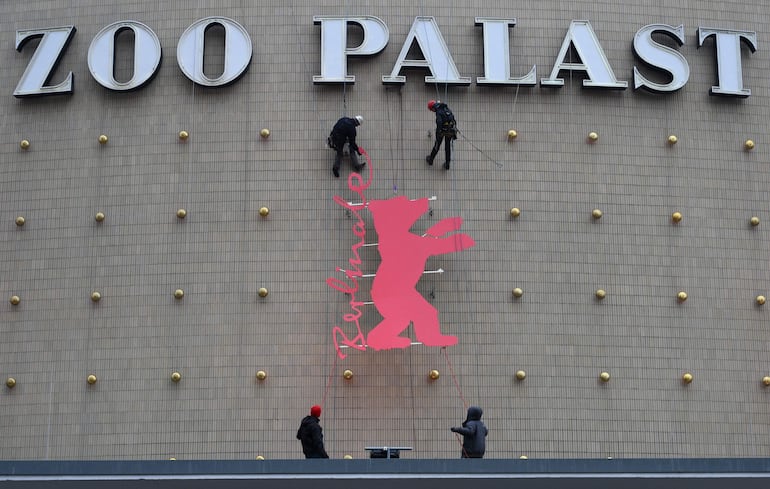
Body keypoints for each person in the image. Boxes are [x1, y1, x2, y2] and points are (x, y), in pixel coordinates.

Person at [425, 100, 457, 170]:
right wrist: (454, 132)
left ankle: (431, 160)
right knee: (447, 147)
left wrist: (438, 132)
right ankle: (447, 164)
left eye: (432, 110)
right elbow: (453, 119)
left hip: (443, 131)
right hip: (450, 130)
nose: (432, 111)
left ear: (433, 108)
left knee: (437, 145)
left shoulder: (438, 112)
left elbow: (439, 122)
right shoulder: (447, 109)